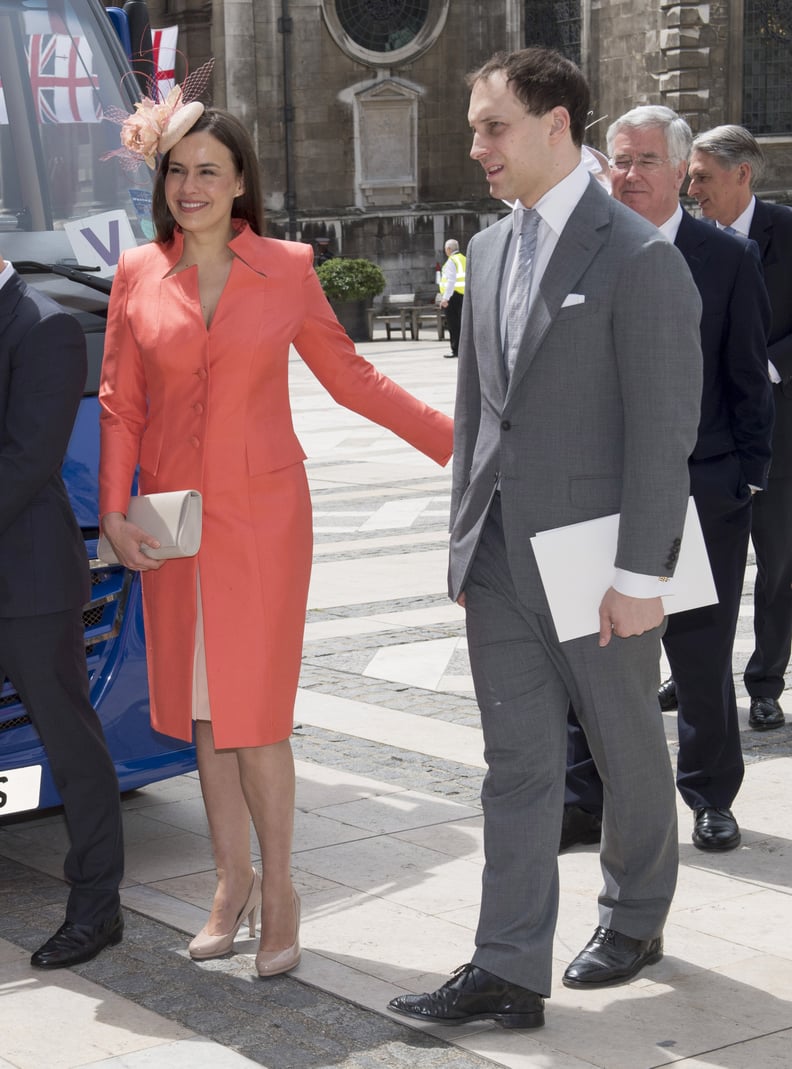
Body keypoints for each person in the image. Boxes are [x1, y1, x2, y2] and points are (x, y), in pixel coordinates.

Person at [98, 104, 453, 979]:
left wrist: (458, 439)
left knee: (254, 715)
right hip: (174, 520)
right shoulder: (138, 271)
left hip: (264, 521)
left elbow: (353, 376)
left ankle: (282, 888)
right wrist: (114, 509)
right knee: (206, 715)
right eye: (177, 171)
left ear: (242, 180)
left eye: (209, 170)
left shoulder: (288, 269)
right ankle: (231, 882)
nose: (191, 187)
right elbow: (121, 401)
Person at [388, 49, 703, 1030]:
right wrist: (460, 550)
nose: (476, 145)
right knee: (516, 766)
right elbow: (481, 419)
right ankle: (508, 967)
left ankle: (636, 914)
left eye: (492, 127)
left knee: (624, 752)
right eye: (475, 128)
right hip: (499, 561)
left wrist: (640, 573)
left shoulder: (641, 256)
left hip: (596, 560)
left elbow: (663, 429)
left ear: (556, 125)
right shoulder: (484, 252)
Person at [564, 106, 774, 855]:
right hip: (602, 491)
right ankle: (583, 795)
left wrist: (748, 477)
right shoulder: (584, 252)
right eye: (619, 159)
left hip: (702, 489)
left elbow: (750, 378)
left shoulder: (723, 258)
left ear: (680, 172)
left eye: (646, 160)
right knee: (595, 649)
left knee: (699, 652)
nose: (628, 174)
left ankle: (711, 794)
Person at [0, 253, 124, 969]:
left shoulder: (44, 326)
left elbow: (28, 459)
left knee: (74, 749)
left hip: (30, 584)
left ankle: (96, 909)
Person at [688, 125, 792, 733]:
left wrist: (764, 363)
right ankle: (695, 673)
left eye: (702, 176)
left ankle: (766, 681)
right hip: (707, 439)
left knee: (777, 565)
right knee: (698, 566)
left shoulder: (787, 229)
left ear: (742, 175)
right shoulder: (684, 239)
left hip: (780, 434)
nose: (692, 187)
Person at [438, 238, 466, 358]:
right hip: (464, 296)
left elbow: (451, 281)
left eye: (446, 249)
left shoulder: (451, 261)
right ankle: (464, 350)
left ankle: (455, 350)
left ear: (449, 249)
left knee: (453, 325)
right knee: (463, 324)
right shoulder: (464, 259)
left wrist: (445, 298)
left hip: (453, 296)